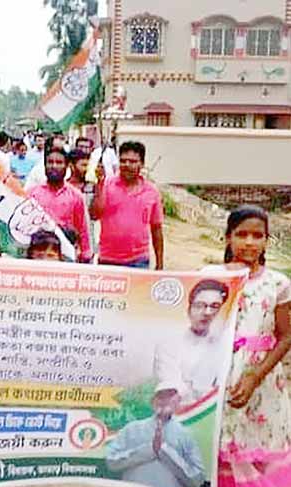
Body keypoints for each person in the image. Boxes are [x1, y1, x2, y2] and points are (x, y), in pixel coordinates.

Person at [206, 206, 291, 487]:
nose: (249, 242)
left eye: (258, 236)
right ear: (228, 237)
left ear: (266, 241)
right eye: (242, 234)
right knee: (223, 462)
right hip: (219, 382)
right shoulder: (210, 277)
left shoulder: (278, 284)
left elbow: (286, 335)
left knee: (252, 459)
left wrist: (256, 375)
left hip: (260, 385)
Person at [106, 382, 205, 487]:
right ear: (153, 402)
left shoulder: (186, 435)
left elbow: (196, 480)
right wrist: (148, 451)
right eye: (160, 396)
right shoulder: (131, 429)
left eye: (169, 396)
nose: (164, 400)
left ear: (178, 401)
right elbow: (111, 461)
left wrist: (165, 451)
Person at [154, 280, 230, 413]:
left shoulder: (225, 345)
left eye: (214, 306)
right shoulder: (168, 344)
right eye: (200, 305)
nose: (207, 312)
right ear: (189, 309)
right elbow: (171, 387)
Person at [91, 141, 164, 269]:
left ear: (142, 164)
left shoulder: (152, 192)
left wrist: (159, 264)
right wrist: (99, 185)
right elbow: (95, 214)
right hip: (108, 259)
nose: (127, 165)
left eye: (133, 161)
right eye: (123, 161)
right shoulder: (106, 185)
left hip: (139, 261)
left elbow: (156, 228)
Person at [28, 147, 92, 262]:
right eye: (50, 162)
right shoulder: (32, 194)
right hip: (39, 256)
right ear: (45, 165)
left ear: (66, 166)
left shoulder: (76, 196)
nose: (54, 166)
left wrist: (86, 254)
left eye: (59, 163)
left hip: (66, 256)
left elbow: (82, 228)